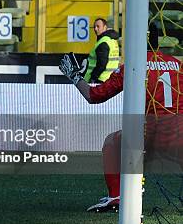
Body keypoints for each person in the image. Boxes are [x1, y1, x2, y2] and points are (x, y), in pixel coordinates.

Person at [59, 25, 182, 212]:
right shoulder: (177, 64)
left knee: (112, 142)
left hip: (150, 136)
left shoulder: (132, 67)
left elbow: (94, 96)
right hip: (179, 134)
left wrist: (75, 77)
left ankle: (116, 197)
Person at [84, 18, 120, 84]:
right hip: (110, 78)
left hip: (100, 79)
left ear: (105, 27)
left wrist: (93, 78)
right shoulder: (112, 40)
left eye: (98, 26)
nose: (95, 29)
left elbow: (101, 64)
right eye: (94, 27)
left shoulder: (103, 42)